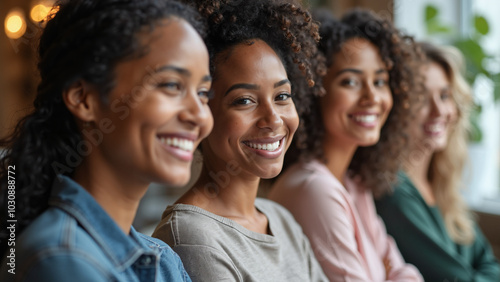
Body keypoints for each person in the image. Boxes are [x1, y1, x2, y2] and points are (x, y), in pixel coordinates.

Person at [0, 0, 214, 281]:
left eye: (203, 93)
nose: (201, 116)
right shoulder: (62, 261)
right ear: (84, 98)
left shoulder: (164, 261)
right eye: (172, 85)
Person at [152, 0, 328, 281]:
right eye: (244, 101)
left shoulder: (280, 219)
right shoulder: (192, 236)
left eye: (282, 96)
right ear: (200, 110)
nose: (273, 119)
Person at [268, 9, 424, 281]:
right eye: (350, 81)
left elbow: (402, 271)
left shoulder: (352, 182)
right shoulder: (314, 188)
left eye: (379, 81)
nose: (372, 97)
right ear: (313, 92)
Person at [375, 42, 500, 282]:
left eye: (445, 95)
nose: (439, 110)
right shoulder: (394, 192)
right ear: (396, 107)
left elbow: (488, 261)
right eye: (421, 97)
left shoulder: (439, 184)